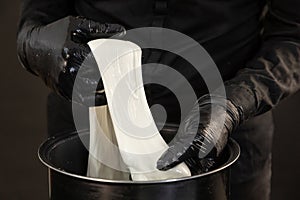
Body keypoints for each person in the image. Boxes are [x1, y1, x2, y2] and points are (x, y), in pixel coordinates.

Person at [17, 0, 300, 199]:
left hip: (225, 144)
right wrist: (34, 44)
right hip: (84, 140)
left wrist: (233, 105)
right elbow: (38, 19)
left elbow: (293, 36)